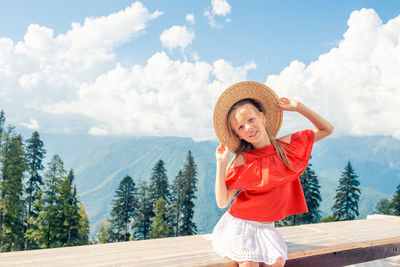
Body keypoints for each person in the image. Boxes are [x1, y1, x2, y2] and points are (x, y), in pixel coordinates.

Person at [211, 81, 334, 267]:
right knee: (248, 265)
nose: (248, 128)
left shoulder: (287, 147)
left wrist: (298, 107)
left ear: (262, 117)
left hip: (267, 228)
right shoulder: (243, 160)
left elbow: (327, 129)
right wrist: (221, 164)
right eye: (241, 127)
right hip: (240, 225)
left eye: (251, 120)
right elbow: (222, 201)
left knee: (276, 263)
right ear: (239, 136)